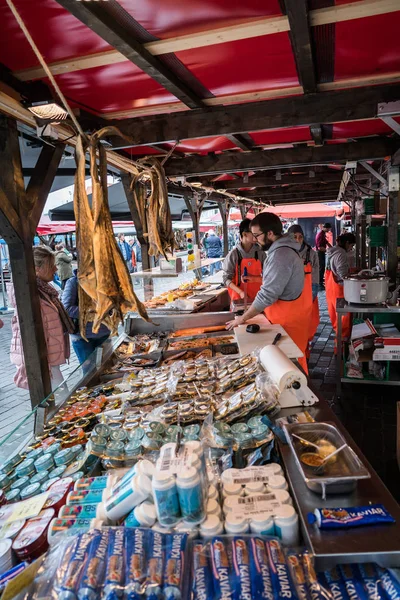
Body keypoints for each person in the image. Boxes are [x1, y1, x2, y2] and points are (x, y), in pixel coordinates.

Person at [226, 212, 312, 373]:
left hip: (289, 323)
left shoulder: (281, 254)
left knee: (291, 369)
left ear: (270, 234)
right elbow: (278, 281)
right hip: (284, 319)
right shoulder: (281, 251)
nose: (255, 240)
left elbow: (267, 294)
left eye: (257, 235)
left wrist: (243, 318)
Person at [9, 246, 74, 391]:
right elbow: (25, 334)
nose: (55, 270)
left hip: (50, 359)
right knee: (62, 398)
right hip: (43, 362)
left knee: (60, 398)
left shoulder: (44, 291)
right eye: (51, 266)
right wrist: (30, 366)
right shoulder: (29, 295)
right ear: (36, 269)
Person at [62, 270, 110, 365]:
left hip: (104, 332)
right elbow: (67, 308)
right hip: (83, 337)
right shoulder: (73, 282)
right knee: (89, 372)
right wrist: (93, 311)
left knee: (107, 366)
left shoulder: (104, 280)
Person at [287, 224, 320, 354]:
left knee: (308, 324)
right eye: (294, 237)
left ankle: (305, 349)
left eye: (300, 237)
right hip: (290, 296)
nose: (298, 240)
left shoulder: (311, 254)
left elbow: (316, 274)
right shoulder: (285, 252)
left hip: (308, 294)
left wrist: (313, 294)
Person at [222, 218, 265, 306]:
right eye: (253, 233)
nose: (256, 235)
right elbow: (226, 279)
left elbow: (268, 275)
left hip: (260, 298)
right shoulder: (233, 255)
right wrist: (241, 292)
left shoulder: (260, 252)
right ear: (244, 234)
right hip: (239, 299)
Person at [325, 232, 356, 342]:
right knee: (343, 320)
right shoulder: (341, 254)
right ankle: (341, 348)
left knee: (336, 320)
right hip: (339, 290)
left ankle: (338, 346)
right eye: (351, 245)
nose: (351, 248)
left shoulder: (332, 252)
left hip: (331, 290)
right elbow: (343, 274)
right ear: (347, 243)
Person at [315, 223, 332, 288]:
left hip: (322, 252)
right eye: (328, 228)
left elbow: (326, 242)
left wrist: (332, 249)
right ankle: (320, 283)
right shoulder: (320, 235)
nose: (329, 230)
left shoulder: (322, 234)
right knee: (321, 268)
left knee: (322, 267)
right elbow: (319, 247)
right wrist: (328, 251)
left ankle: (321, 282)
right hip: (319, 253)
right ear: (325, 228)